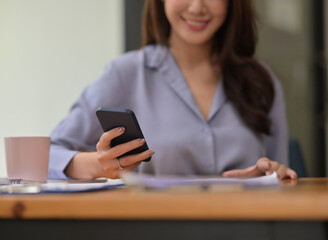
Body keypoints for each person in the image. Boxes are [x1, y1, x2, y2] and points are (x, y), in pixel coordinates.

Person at [48, 0, 297, 180]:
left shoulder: (261, 81)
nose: (197, 7)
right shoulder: (126, 73)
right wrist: (97, 165)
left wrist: (274, 174)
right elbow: (48, 155)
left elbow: (282, 173)